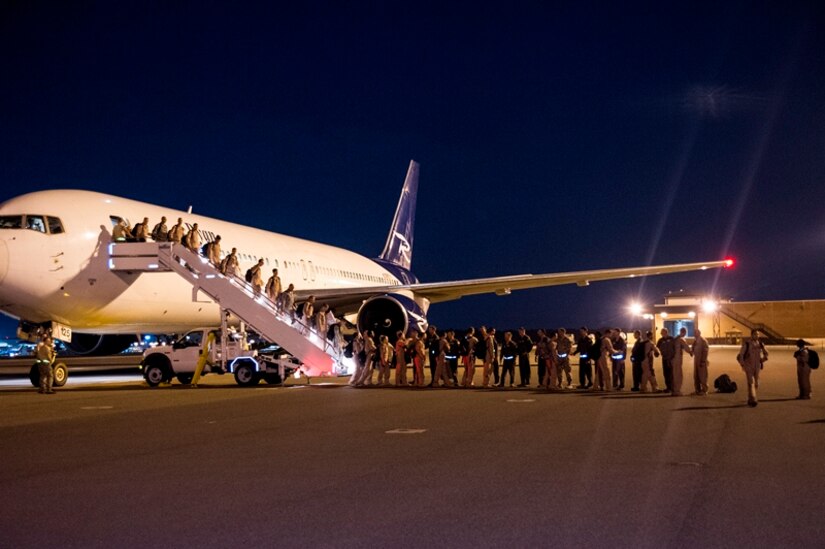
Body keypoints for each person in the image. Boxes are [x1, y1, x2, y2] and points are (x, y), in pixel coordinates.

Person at [737, 329, 768, 407]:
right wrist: (743, 365)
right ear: (751, 335)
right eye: (755, 334)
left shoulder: (760, 344)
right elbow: (741, 355)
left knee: (756, 383)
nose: (757, 336)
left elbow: (766, 355)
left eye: (758, 334)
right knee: (751, 383)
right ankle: (754, 399)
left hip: (757, 366)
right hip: (748, 366)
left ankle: (750, 398)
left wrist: (763, 357)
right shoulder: (747, 344)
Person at [670, 327, 692, 396]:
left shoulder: (675, 338)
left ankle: (674, 390)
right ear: (684, 332)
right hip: (677, 359)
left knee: (674, 374)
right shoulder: (681, 339)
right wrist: (691, 352)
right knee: (678, 375)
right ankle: (677, 391)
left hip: (673, 359)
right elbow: (686, 348)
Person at [691, 328, 710, 395]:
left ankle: (704, 390)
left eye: (695, 333)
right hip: (696, 359)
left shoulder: (703, 340)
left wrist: (703, 360)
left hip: (701, 360)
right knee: (696, 375)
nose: (694, 334)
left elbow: (705, 351)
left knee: (703, 375)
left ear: (699, 333)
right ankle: (697, 389)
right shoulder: (695, 341)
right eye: (694, 333)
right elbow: (693, 348)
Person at [656, 328, 676, 392]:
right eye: (661, 333)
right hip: (664, 359)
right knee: (666, 373)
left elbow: (675, 347)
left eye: (663, 332)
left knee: (671, 373)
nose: (662, 334)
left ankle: (673, 387)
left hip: (671, 359)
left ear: (666, 332)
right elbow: (657, 348)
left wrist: (675, 356)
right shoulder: (660, 340)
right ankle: (668, 387)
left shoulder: (672, 339)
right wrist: (656, 353)